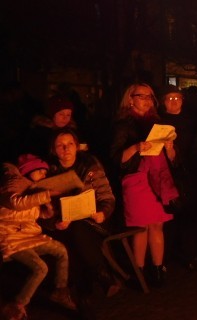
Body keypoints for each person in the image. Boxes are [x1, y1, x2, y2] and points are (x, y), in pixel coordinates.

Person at [110, 82, 179, 287]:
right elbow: (115, 158)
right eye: (142, 96)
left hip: (157, 179)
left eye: (150, 97)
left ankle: (158, 270)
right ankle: (139, 272)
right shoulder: (123, 125)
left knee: (157, 224)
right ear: (130, 99)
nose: (147, 100)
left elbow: (174, 159)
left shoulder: (157, 122)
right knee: (140, 227)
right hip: (137, 179)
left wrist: (170, 148)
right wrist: (136, 147)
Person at [46, 129, 120, 300]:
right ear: (53, 149)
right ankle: (100, 280)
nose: (66, 149)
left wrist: (102, 213)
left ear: (77, 146)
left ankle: (88, 287)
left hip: (93, 221)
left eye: (70, 144)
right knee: (72, 235)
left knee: (79, 230)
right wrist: (55, 222)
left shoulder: (90, 166)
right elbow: (43, 207)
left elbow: (107, 196)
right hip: (64, 224)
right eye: (60, 145)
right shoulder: (49, 171)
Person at [0, 155, 76, 320]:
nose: (43, 174)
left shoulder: (31, 190)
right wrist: (46, 194)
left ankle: (60, 291)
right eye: (39, 171)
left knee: (61, 250)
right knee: (40, 268)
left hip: (30, 236)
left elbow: (32, 213)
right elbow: (16, 204)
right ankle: (17, 305)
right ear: (28, 171)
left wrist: (47, 211)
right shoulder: (10, 184)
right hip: (12, 238)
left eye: (44, 171)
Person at [158, 85, 197, 271]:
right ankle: (166, 255)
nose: (174, 102)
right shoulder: (158, 122)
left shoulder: (192, 121)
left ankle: (189, 254)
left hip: (189, 173)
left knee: (188, 216)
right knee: (168, 217)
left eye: (177, 98)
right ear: (163, 102)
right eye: (169, 99)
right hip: (166, 174)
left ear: (183, 101)